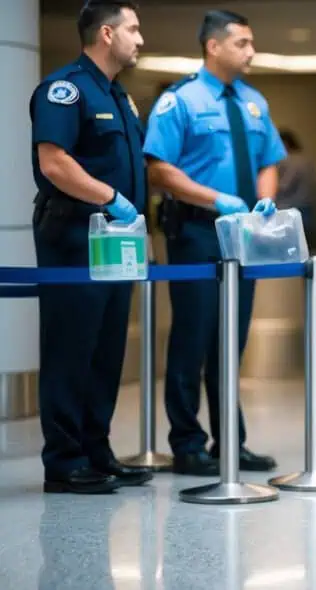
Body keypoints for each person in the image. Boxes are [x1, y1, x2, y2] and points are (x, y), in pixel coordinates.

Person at [143, 9, 283, 476]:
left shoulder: (254, 102)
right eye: (242, 42)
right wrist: (216, 198)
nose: (251, 51)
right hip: (197, 231)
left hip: (244, 234)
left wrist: (264, 199)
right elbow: (159, 168)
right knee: (193, 338)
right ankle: (187, 444)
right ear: (214, 46)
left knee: (231, 341)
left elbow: (268, 160)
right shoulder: (179, 100)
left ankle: (230, 442)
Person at [29, 0, 152, 493]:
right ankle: (64, 460)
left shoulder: (120, 96)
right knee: (70, 348)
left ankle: (95, 451)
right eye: (133, 29)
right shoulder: (66, 90)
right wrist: (111, 198)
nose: (140, 39)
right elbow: (54, 162)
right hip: (75, 237)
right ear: (106, 33)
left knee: (105, 349)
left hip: (116, 241)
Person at [275, 129, 316, 240]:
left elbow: (284, 185)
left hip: (291, 208)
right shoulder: (306, 159)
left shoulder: (290, 160)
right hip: (308, 205)